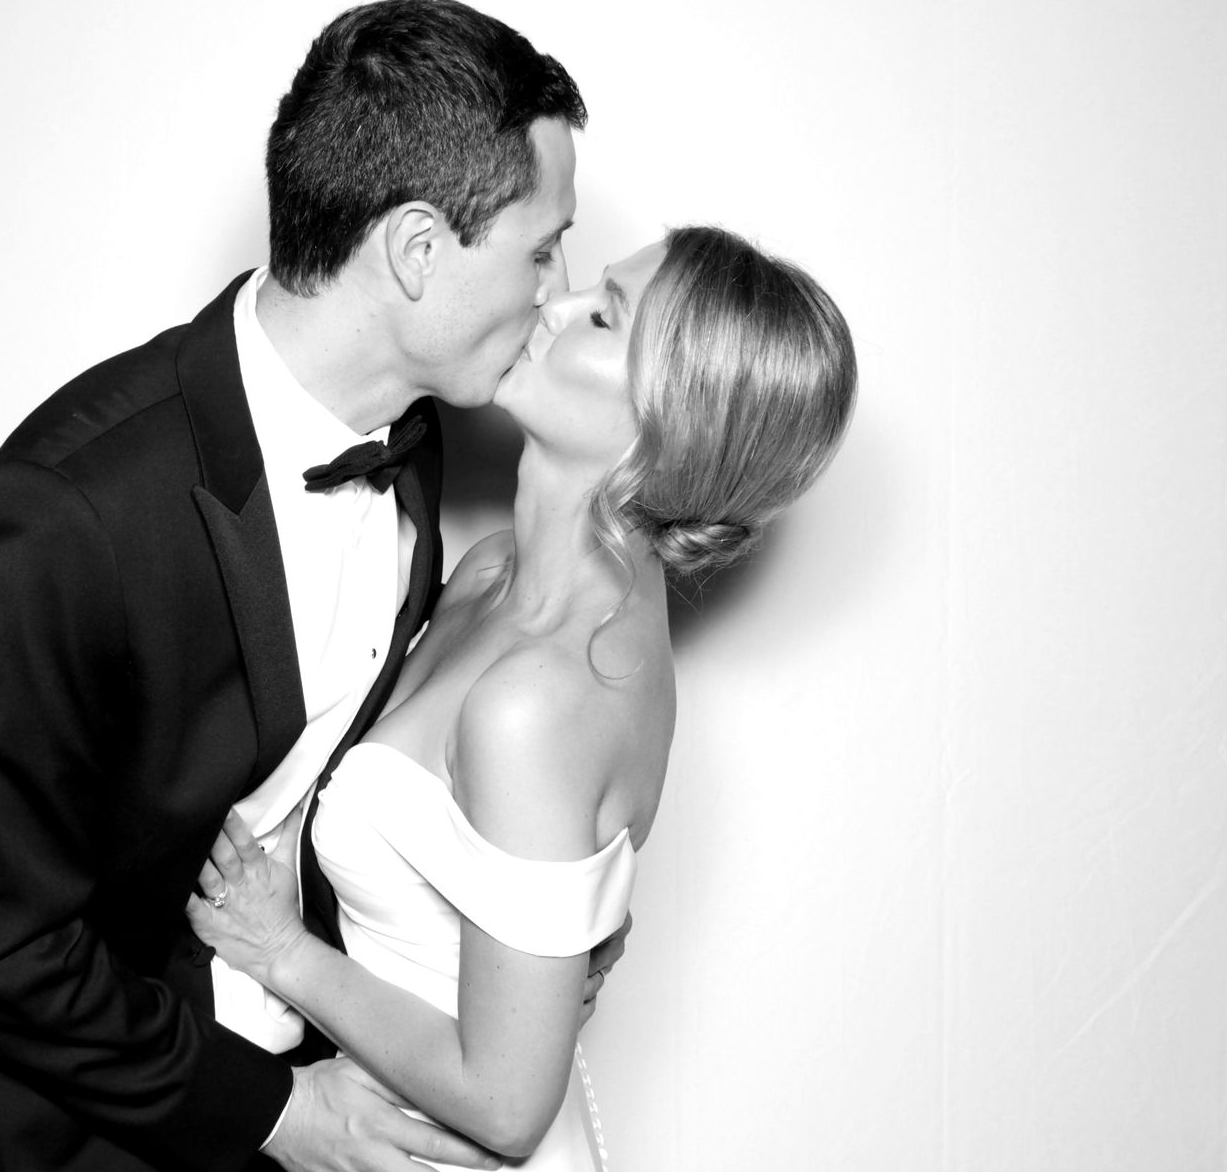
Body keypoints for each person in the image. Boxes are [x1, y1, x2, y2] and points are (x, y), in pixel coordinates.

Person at [0, 0, 595, 1172]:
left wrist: (536, 943)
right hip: (41, 1132)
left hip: (282, 1081)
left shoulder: (412, 439)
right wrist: (280, 1113)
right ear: (417, 250)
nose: (559, 287)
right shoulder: (64, 515)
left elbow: (305, 785)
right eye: (542, 248)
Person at [188, 226, 859, 1171]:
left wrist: (281, 952)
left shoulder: (541, 703)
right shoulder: (492, 572)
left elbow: (506, 1105)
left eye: (604, 317)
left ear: (670, 426)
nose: (552, 302)